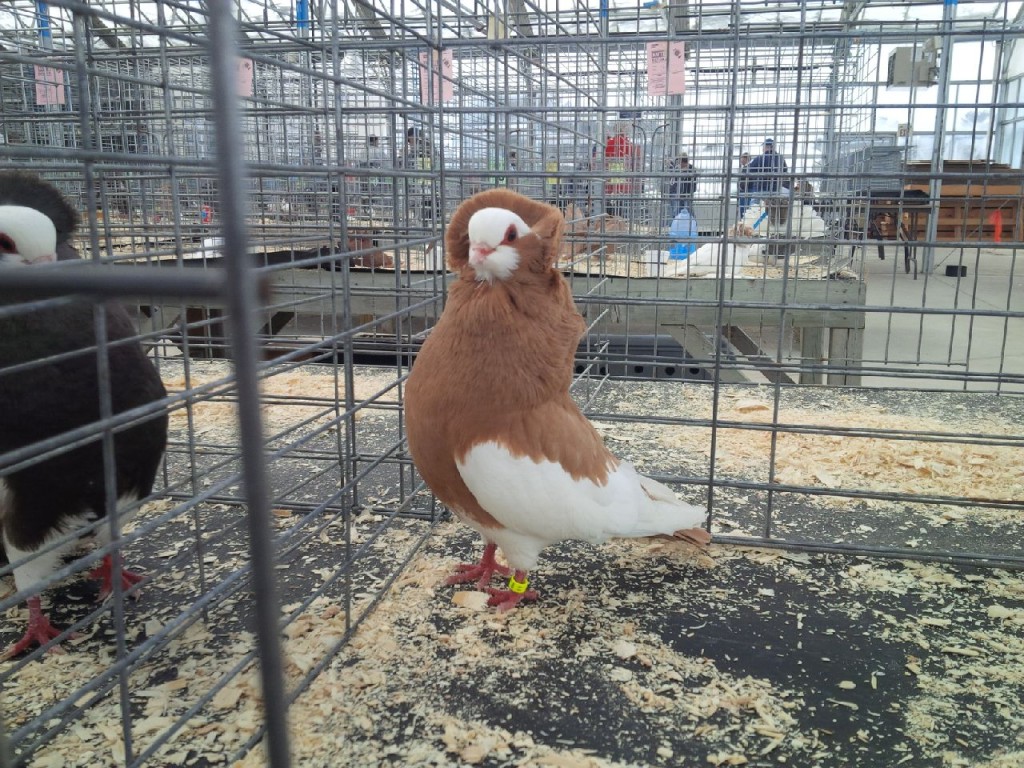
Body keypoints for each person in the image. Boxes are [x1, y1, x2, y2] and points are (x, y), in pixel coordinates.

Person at [604, 122, 640, 218]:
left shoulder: (607, 144)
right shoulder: (631, 146)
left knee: (608, 210)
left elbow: (600, 163)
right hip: (625, 183)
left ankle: (609, 224)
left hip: (609, 182)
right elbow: (637, 165)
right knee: (622, 209)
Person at [745, 138, 789, 202]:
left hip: (760, 189)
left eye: (763, 147)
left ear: (766, 147)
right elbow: (785, 171)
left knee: (756, 209)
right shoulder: (781, 159)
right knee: (773, 209)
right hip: (775, 190)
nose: (763, 149)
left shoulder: (759, 158)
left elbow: (749, 171)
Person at [664, 152, 698, 226]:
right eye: (681, 160)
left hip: (687, 195)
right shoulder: (675, 168)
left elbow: (693, 187)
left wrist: (685, 172)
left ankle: (692, 227)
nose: (683, 163)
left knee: (689, 212)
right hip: (675, 194)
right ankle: (674, 227)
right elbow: (671, 182)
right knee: (675, 212)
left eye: (685, 160)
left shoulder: (692, 169)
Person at [737, 151, 754, 218]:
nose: (740, 160)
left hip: (746, 192)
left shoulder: (748, 168)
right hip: (745, 191)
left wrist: (741, 187)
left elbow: (747, 180)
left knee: (744, 210)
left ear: (746, 159)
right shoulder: (747, 167)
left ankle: (744, 224)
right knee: (744, 209)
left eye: (741, 158)